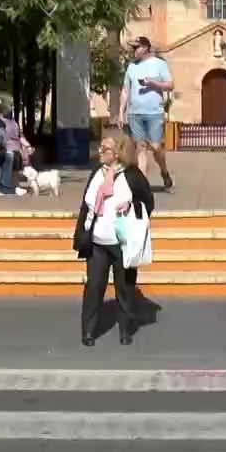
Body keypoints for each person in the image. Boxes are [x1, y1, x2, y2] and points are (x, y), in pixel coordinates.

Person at [73, 132, 154, 347]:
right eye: (101, 148)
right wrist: (81, 234)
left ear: (118, 153)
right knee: (94, 287)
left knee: (125, 289)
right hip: (97, 242)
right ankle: (88, 332)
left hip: (122, 244)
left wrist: (131, 206)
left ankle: (126, 331)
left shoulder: (132, 175)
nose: (100, 152)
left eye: (105, 149)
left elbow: (148, 203)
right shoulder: (96, 174)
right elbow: (86, 206)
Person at [117, 37, 174, 191]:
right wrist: (121, 111)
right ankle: (142, 185)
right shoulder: (131, 67)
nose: (133, 51)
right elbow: (125, 90)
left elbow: (170, 85)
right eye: (133, 48)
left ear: (146, 48)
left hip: (154, 113)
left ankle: (164, 171)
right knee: (140, 148)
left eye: (136, 47)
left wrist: (152, 83)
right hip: (135, 113)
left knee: (156, 147)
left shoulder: (159, 64)